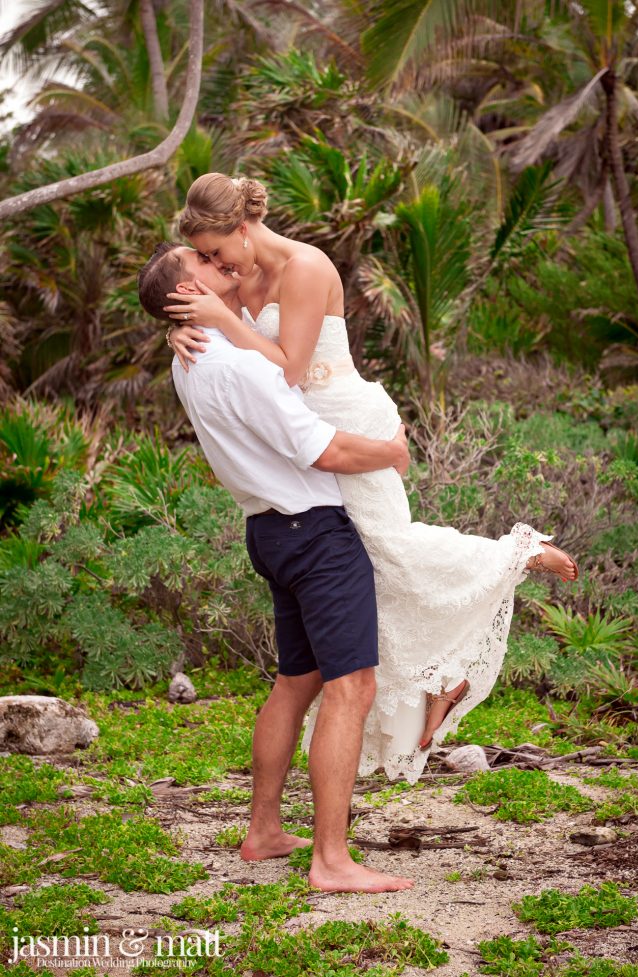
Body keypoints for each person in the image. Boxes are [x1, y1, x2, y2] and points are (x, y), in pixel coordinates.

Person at [164, 173, 580, 786]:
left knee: (391, 547)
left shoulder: (306, 268)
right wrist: (182, 327)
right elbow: (225, 357)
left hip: (343, 420)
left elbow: (287, 370)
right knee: (371, 580)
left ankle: (518, 553)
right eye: (202, 255)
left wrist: (219, 322)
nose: (210, 262)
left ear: (245, 230)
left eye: (215, 250)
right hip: (301, 441)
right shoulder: (234, 277)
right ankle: (442, 680)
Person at [138, 242, 414, 895]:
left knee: (297, 680)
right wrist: (393, 452)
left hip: (268, 530)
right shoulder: (237, 365)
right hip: (313, 533)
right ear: (187, 295)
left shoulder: (193, 358)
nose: (218, 261)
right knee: (352, 687)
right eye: (202, 261)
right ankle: (332, 861)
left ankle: (264, 830)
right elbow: (323, 448)